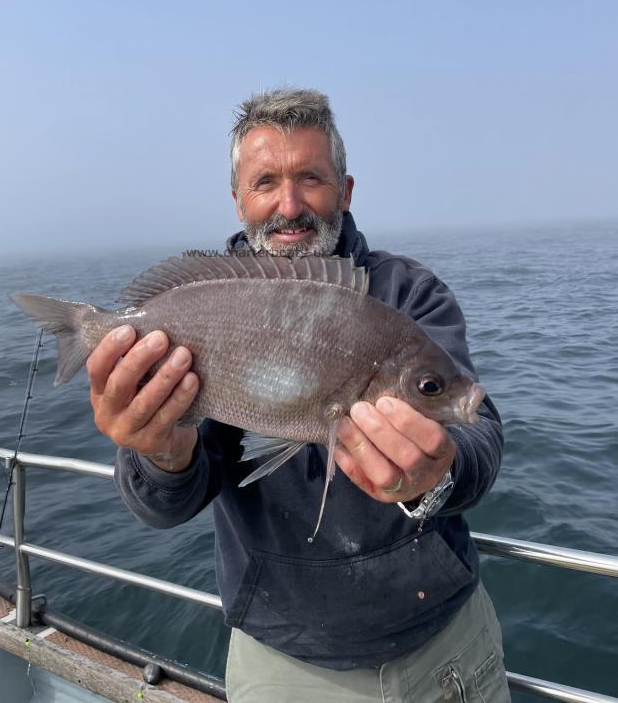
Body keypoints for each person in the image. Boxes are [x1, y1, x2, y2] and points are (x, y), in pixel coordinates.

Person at [88, 88, 510, 702]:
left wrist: (436, 475)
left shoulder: (409, 295)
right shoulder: (207, 304)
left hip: (442, 642)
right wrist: (161, 451)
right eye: (265, 182)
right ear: (238, 199)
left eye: (311, 178)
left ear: (345, 190)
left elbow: (479, 433)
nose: (289, 204)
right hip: (284, 663)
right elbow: (165, 507)